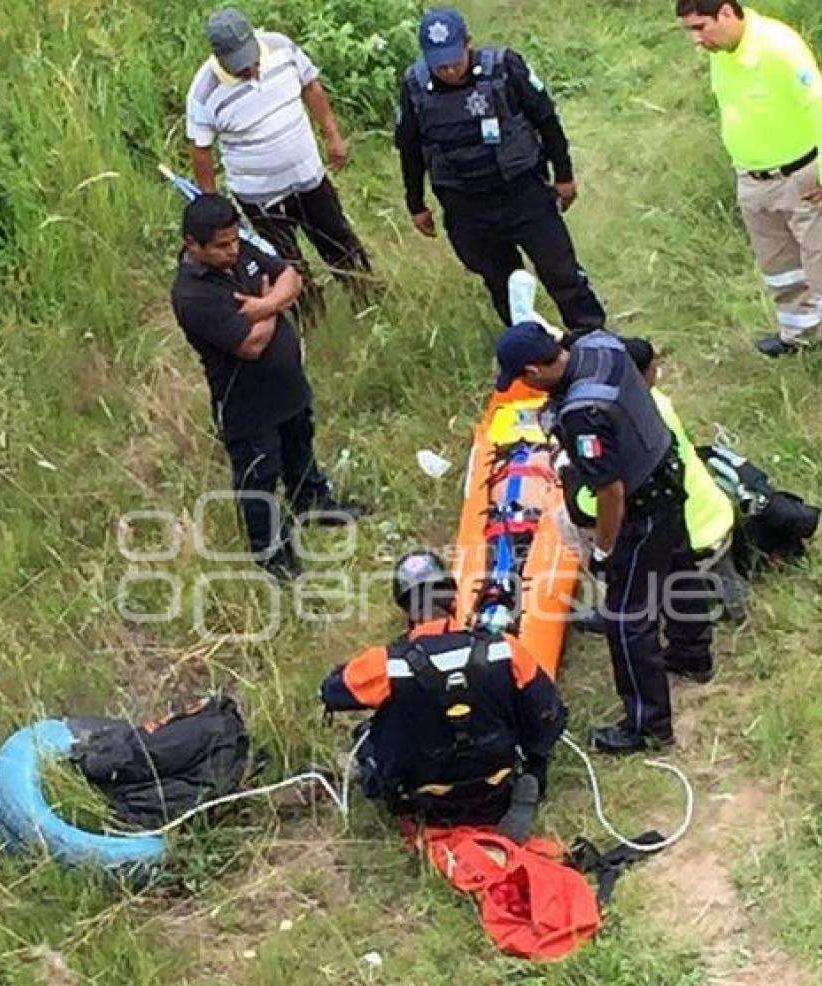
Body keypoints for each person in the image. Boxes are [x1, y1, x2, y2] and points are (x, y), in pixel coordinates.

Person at [495, 323, 715, 753]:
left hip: (640, 505)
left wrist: (604, 548)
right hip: (666, 472)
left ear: (535, 368)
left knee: (626, 618)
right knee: (678, 568)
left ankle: (646, 726)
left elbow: (610, 492)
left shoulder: (583, 415)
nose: (525, 386)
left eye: (522, 378)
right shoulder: (600, 344)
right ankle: (692, 654)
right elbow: (646, 355)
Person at [170, 194, 362, 578]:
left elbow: (291, 276)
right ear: (193, 244)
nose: (233, 250)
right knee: (259, 475)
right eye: (222, 246)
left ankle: (312, 502)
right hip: (246, 403)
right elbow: (251, 345)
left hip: (287, 387)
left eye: (235, 240)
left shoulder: (238, 251)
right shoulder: (193, 295)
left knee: (299, 447)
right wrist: (275, 303)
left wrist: (263, 304)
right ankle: (271, 553)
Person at [320, 550, 566, 840]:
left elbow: (331, 691)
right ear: (452, 599)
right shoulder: (504, 649)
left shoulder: (385, 665)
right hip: (496, 786)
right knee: (529, 710)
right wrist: (535, 757)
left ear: (407, 612)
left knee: (367, 736)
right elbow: (550, 714)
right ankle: (527, 781)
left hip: (423, 800)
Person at [395, 7, 605, 329]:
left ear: (468, 43)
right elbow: (410, 148)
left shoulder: (505, 68)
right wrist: (416, 204)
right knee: (503, 285)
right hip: (466, 206)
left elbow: (546, 120)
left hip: (523, 192)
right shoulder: (415, 87)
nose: (448, 70)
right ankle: (535, 358)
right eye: (439, 63)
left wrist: (563, 175)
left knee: (561, 273)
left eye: (453, 59)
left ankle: (594, 340)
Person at [186, 7, 372, 321]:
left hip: (308, 177)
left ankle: (367, 300)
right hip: (260, 197)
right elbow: (200, 150)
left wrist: (333, 136)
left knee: (339, 240)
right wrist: (213, 203)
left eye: (251, 58)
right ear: (218, 57)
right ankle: (311, 319)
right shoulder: (204, 92)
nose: (251, 69)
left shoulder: (281, 47)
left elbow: (311, 86)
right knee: (283, 261)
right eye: (239, 65)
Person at [563, 337, 746, 628]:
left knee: (581, 516)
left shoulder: (615, 421)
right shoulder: (657, 404)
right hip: (716, 514)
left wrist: (573, 480)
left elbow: (603, 500)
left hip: (685, 535)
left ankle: (613, 601)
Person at [676, 0, 822, 357]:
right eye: (689, 31)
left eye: (700, 27)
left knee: (821, 262)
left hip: (801, 177)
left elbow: (819, 106)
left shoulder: (778, 49)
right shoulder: (722, 51)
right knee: (780, 268)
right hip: (753, 179)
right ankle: (800, 336)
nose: (696, 40)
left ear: (726, 13)